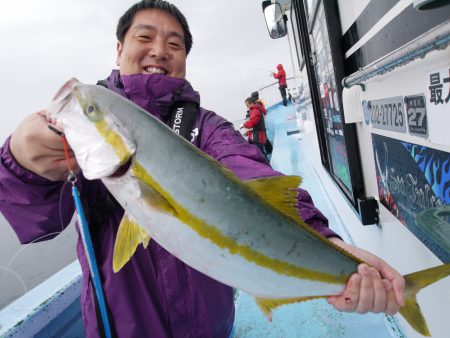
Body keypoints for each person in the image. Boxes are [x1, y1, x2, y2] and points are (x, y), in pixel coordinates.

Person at [0, 1, 405, 337]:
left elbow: (255, 177)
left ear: (185, 60)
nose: (159, 50)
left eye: (174, 43)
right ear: (118, 49)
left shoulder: (206, 127)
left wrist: (329, 244)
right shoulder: (91, 138)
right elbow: (40, 218)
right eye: (144, 37)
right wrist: (22, 160)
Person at [250, 91, 273, 155]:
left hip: (262, 123)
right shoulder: (259, 103)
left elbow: (263, 112)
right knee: (264, 137)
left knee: (263, 137)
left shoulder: (258, 104)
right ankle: (269, 149)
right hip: (263, 122)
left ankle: (269, 149)